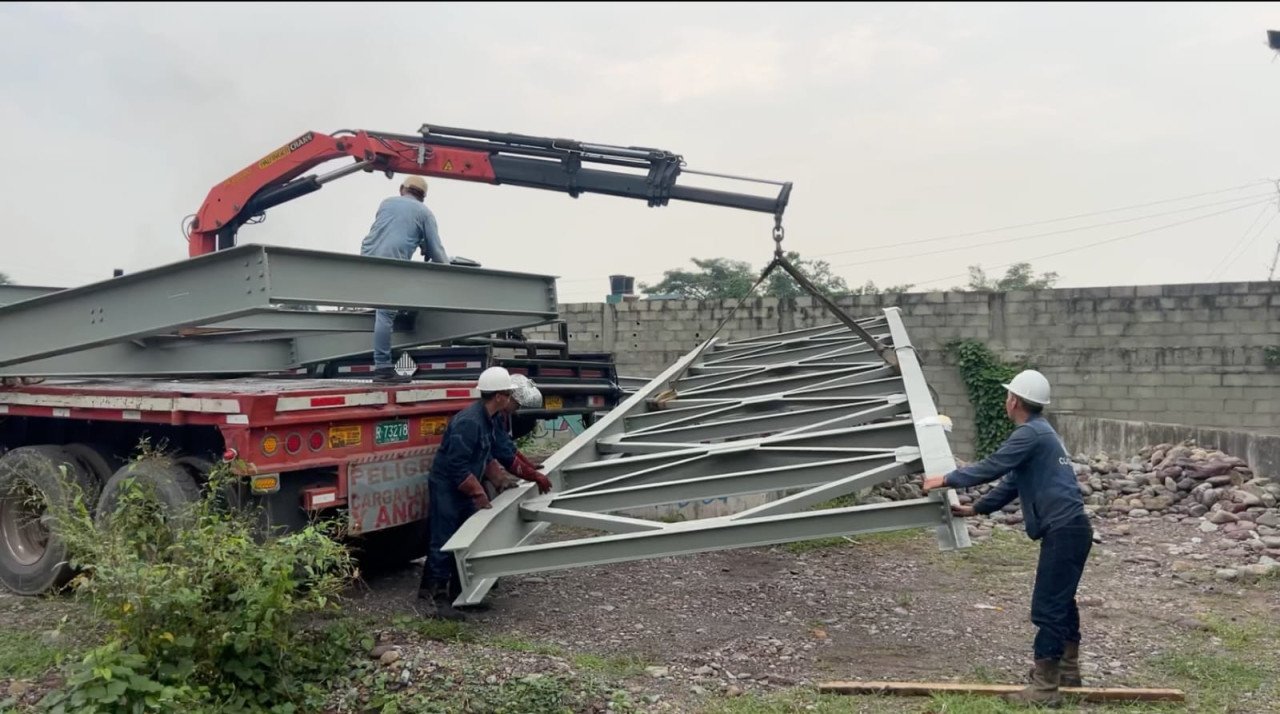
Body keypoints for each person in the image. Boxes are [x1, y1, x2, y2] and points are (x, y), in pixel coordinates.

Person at [922, 369, 1092, 707]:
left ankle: (1044, 690)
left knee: (1047, 607)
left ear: (1013, 400)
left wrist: (945, 479)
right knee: (1062, 601)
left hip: (1064, 530)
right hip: (1073, 529)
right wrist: (978, 510)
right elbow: (1012, 482)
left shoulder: (1029, 433)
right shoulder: (1044, 433)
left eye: (1007, 396)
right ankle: (1068, 671)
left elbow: (993, 466)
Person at [418, 367, 553, 621]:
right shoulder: (469, 422)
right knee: (444, 538)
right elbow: (456, 466)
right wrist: (478, 494)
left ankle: (460, 593)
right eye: (510, 395)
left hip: (465, 483)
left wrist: (531, 473)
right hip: (448, 485)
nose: (514, 402)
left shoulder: (492, 419)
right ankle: (438, 600)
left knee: (471, 536)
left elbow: (505, 451)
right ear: (499, 396)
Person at [359, 176, 450, 383]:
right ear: (423, 197)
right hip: (391, 265)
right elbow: (436, 251)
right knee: (386, 313)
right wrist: (450, 274)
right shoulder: (424, 213)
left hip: (365, 260)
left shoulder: (386, 203)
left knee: (385, 310)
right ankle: (383, 368)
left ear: (402, 189)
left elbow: (394, 230)